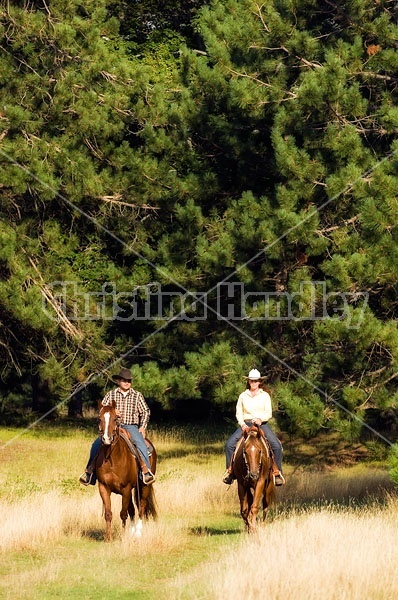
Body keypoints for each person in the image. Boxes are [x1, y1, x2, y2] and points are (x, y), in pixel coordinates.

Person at [79, 367, 156, 486]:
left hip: (131, 426)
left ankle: (146, 472)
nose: (127, 383)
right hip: (113, 427)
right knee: (96, 445)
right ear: (119, 381)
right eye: (124, 380)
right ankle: (90, 473)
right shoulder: (111, 394)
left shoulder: (137, 395)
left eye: (129, 380)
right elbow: (102, 410)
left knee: (140, 444)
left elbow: (145, 411)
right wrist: (113, 412)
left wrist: (142, 427)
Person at [222, 368, 285, 486]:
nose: (253, 383)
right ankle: (230, 472)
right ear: (249, 382)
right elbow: (238, 412)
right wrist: (242, 424)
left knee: (277, 446)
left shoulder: (265, 395)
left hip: (262, 424)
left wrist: (261, 419)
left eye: (256, 381)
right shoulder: (243, 396)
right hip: (246, 424)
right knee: (229, 444)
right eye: (251, 381)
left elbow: (268, 412)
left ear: (259, 382)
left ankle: (276, 472)